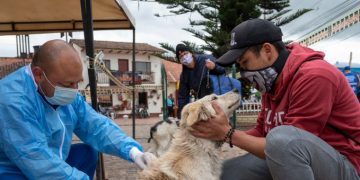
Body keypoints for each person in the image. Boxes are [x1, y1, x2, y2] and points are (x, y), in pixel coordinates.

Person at [190, 19, 360, 180]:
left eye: (245, 62)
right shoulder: (271, 83)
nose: (243, 72)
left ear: (267, 50)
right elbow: (261, 134)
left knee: (281, 140)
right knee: (227, 172)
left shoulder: (315, 76)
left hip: (348, 166)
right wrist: (216, 134)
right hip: (300, 161)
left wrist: (228, 133)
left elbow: (287, 147)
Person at [0, 40, 154, 179]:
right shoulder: (12, 101)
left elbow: (96, 125)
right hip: (17, 170)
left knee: (86, 153)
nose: (74, 90)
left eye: (77, 83)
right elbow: (36, 159)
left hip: (53, 159)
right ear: (39, 75)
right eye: (67, 85)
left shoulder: (65, 92)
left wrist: (133, 152)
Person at [176, 43, 226, 118]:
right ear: (180, 60)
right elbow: (183, 97)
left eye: (185, 53)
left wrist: (214, 67)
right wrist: (181, 116)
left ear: (191, 53)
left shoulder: (206, 59)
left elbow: (223, 70)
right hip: (204, 104)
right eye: (181, 56)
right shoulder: (184, 75)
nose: (184, 57)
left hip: (218, 98)